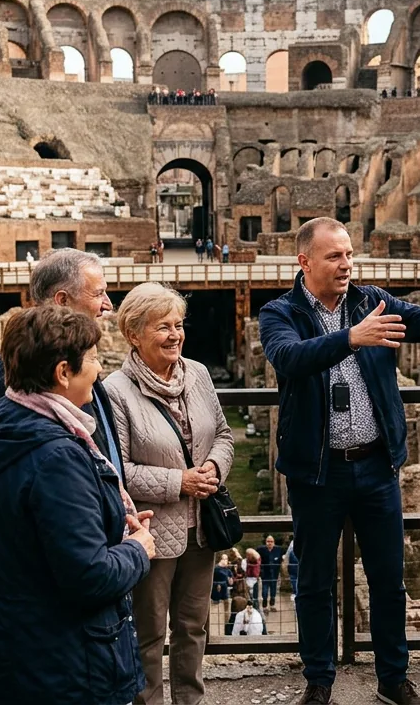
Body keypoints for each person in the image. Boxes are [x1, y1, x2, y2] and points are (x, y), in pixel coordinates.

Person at [260, 217, 420, 705]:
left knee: (388, 579)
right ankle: (319, 682)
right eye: (334, 256)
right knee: (315, 581)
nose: (346, 264)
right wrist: (350, 339)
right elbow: (288, 358)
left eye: (349, 254)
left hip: (376, 467)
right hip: (317, 471)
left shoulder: (369, 298)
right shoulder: (281, 312)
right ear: (304, 261)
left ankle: (393, 679)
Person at [0, 305, 156, 705]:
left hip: (15, 648)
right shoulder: (56, 457)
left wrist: (109, 520)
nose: (100, 371)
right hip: (64, 666)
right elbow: (89, 576)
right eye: (95, 359)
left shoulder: (2, 426)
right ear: (63, 373)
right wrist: (138, 550)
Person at [105, 282, 236, 705]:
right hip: (152, 533)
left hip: (202, 528)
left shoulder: (196, 374)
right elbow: (117, 470)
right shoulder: (115, 392)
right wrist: (180, 482)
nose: (175, 335)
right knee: (148, 633)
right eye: (163, 327)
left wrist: (214, 467)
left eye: (178, 325)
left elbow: (223, 434)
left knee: (194, 627)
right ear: (134, 334)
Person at [0, 249, 121, 475]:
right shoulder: (19, 368)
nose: (108, 305)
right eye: (98, 294)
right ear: (63, 300)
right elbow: (17, 467)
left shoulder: (75, 354)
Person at [256, 535, 287, 611]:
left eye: (271, 541)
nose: (269, 543)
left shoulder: (279, 549)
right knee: (265, 591)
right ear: (266, 542)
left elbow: (285, 557)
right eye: (268, 541)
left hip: (275, 574)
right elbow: (256, 558)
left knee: (273, 591)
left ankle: (272, 605)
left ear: (274, 542)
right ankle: (264, 606)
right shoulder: (261, 549)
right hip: (265, 574)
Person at [213, 553, 235, 621]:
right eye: (224, 559)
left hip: (225, 593)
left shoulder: (227, 570)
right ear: (220, 560)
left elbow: (231, 582)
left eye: (226, 559)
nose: (226, 561)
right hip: (216, 593)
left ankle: (226, 620)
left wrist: (230, 580)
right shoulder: (216, 568)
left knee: (226, 606)